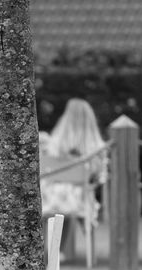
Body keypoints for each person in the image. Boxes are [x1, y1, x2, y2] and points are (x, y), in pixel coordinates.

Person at [40, 98, 109, 258]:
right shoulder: (95, 145)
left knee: (58, 209)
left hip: (50, 195)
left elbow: (46, 166)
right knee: (74, 203)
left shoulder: (54, 142)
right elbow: (99, 175)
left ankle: (52, 251)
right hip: (78, 196)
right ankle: (87, 255)